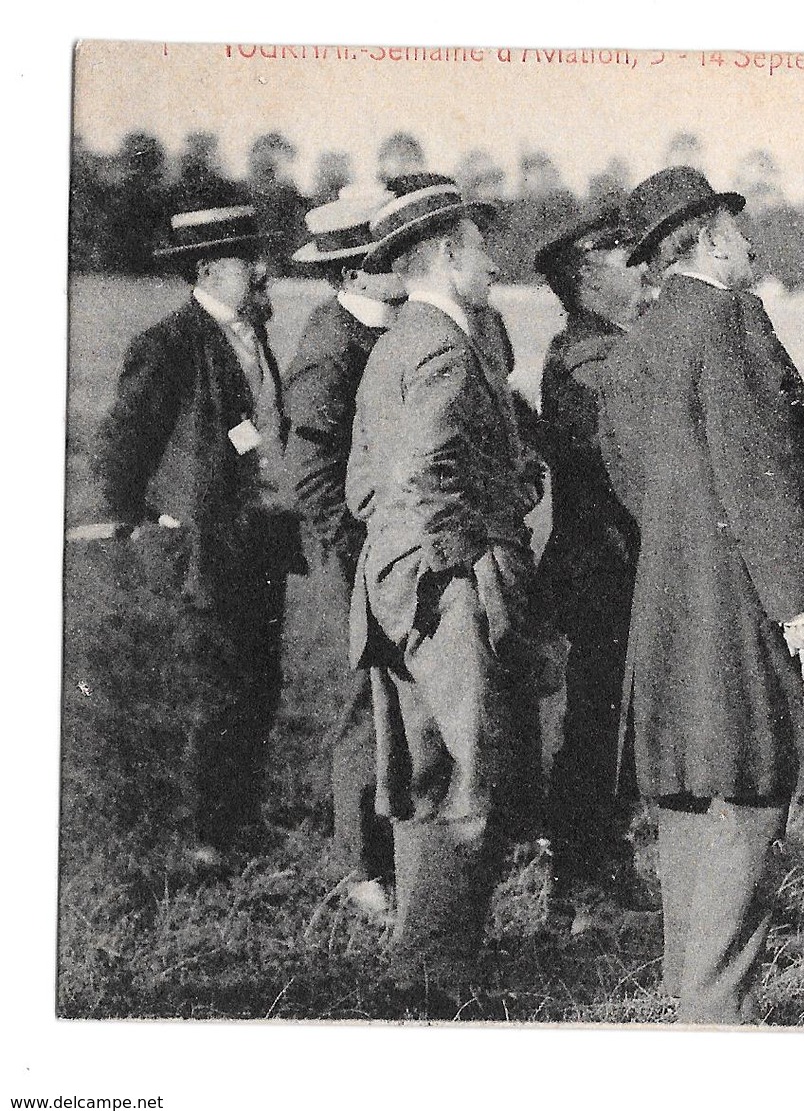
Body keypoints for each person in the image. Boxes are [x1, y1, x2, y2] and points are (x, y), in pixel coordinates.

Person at [598, 166, 804, 1024]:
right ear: (711, 237)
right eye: (735, 224)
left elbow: (627, 474)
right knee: (750, 792)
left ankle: (690, 992)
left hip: (671, 593)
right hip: (744, 597)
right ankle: (715, 1015)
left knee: (692, 792)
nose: (747, 239)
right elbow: (755, 465)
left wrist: (688, 545)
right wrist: (795, 595)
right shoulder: (731, 318)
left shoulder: (638, 335)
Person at [346, 174, 556, 1000]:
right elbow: (417, 474)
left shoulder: (404, 338)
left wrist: (504, 485)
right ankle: (439, 974)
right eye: (481, 246)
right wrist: (470, 567)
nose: (492, 261)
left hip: (406, 581)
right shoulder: (438, 342)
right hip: (443, 587)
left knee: (427, 775)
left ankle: (423, 962)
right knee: (466, 778)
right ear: (444, 254)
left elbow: (368, 486)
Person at [80, 197, 302, 874]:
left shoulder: (251, 333)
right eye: (246, 262)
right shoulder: (168, 343)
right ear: (209, 271)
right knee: (222, 685)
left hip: (260, 537)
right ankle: (210, 835)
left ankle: (243, 818)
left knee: (260, 680)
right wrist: (147, 519)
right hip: (205, 546)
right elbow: (122, 443)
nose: (260, 271)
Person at [285, 185, 406, 924]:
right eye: (391, 255)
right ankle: (362, 868)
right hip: (356, 558)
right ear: (357, 273)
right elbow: (313, 477)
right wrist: (359, 557)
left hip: (381, 550)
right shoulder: (332, 349)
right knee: (365, 701)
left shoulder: (381, 330)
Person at [530, 209, 655, 930]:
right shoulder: (586, 356)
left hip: (617, 565)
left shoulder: (605, 346)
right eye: (619, 257)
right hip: (602, 569)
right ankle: (579, 882)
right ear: (584, 277)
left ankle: (604, 867)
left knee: (615, 728)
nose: (637, 266)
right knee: (598, 732)